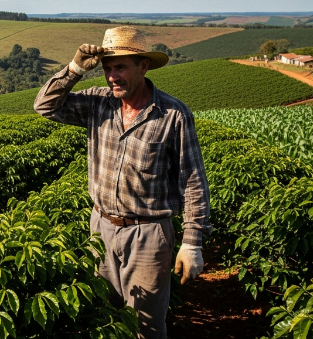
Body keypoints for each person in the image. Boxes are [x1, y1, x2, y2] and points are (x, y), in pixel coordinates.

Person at [34, 26, 212, 339]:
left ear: (143, 66)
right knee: (106, 314)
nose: (112, 76)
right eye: (107, 69)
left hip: (148, 234)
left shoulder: (173, 114)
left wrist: (192, 241)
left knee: (146, 325)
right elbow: (45, 106)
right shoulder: (97, 103)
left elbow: (193, 180)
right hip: (101, 227)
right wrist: (74, 69)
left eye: (120, 67)